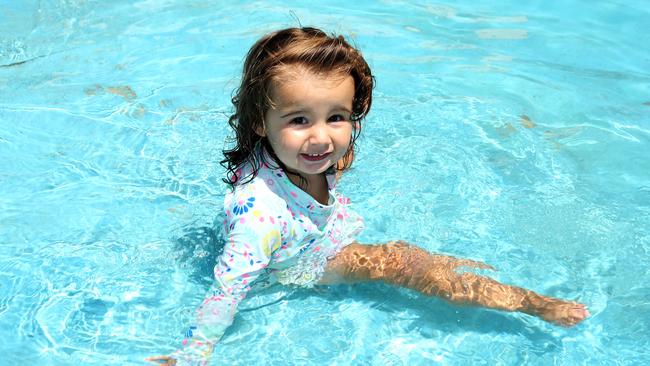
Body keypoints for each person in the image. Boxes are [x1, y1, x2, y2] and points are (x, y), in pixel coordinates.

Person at [147, 27, 588, 365]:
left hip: (307, 230)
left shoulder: (295, 153)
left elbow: (322, 138)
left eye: (337, 116)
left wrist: (316, 136)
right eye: (300, 119)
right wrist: (194, 352)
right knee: (403, 263)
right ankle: (530, 305)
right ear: (259, 122)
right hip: (299, 264)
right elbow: (228, 288)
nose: (323, 137)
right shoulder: (258, 219)